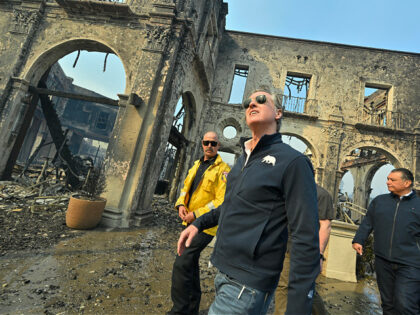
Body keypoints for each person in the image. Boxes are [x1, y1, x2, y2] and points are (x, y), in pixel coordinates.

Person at [177, 87, 320, 315]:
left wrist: (298, 306)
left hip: (248, 283)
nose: (252, 104)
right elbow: (230, 206)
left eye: (261, 100)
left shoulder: (293, 162)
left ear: (278, 113)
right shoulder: (243, 159)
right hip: (223, 270)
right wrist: (198, 223)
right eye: (248, 102)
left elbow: (305, 235)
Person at [167, 131, 230, 315]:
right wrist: (180, 205)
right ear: (202, 144)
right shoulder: (196, 165)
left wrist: (196, 214)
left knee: (181, 263)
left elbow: (220, 202)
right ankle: (192, 308)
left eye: (213, 143)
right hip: (189, 222)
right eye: (206, 142)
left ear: (218, 146)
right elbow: (185, 188)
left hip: (206, 226)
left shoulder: (224, 170)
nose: (209, 146)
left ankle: (179, 311)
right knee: (190, 263)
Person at [352, 168, 420, 315]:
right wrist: (359, 240)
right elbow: (367, 222)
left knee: (405, 303)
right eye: (388, 178)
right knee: (388, 304)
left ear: (407, 183)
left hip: (410, 263)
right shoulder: (380, 201)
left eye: (392, 180)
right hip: (382, 260)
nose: (387, 182)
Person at [275, 184, 335, 315]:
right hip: (285, 246)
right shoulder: (289, 190)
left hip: (305, 250)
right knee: (290, 287)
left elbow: (325, 226)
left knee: (297, 288)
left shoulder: (321, 195)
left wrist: (319, 255)